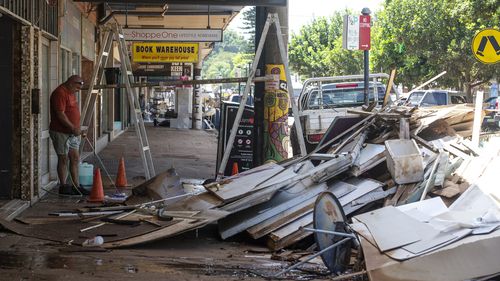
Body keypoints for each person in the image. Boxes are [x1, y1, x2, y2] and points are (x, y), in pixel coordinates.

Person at [49, 75, 88, 195]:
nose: (78, 90)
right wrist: (72, 127)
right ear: (71, 83)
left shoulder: (71, 93)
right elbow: (60, 114)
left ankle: (76, 186)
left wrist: (77, 128)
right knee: (63, 158)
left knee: (75, 158)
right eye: (77, 87)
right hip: (61, 132)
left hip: (73, 133)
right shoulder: (60, 93)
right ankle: (63, 186)